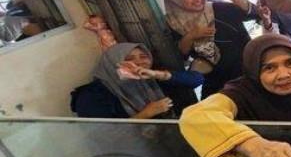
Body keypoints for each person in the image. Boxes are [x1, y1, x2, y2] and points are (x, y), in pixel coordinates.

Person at [164, 0, 260, 97]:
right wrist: (191, 36)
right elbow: (181, 55)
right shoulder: (173, 22)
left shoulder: (218, 8)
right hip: (216, 80)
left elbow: (255, 13)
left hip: (247, 71)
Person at [71, 43, 203, 119]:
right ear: (112, 63)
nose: (139, 62)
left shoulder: (151, 77)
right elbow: (105, 136)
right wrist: (145, 114)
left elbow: (197, 80)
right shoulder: (92, 96)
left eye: (143, 56)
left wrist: (158, 74)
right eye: (129, 59)